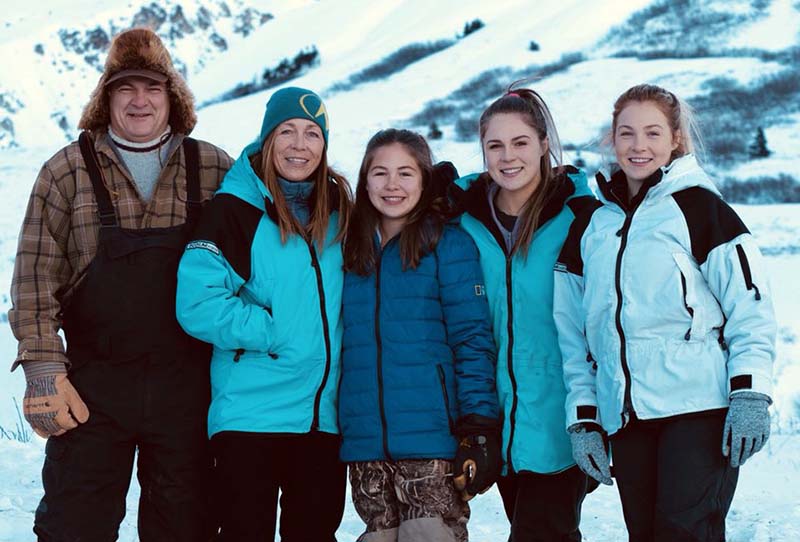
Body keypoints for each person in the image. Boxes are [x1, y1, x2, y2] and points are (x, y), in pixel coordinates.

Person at [8, 27, 233, 541]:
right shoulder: (66, 171)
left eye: (152, 88)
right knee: (74, 524)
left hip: (189, 390)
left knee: (187, 527)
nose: (139, 100)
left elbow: (261, 261)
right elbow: (35, 277)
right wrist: (43, 368)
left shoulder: (214, 167)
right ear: (106, 98)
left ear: (171, 98)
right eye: (125, 87)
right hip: (92, 389)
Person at [554, 83, 776, 541]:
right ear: (611, 140)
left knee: (685, 532)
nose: (639, 146)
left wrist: (750, 393)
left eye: (653, 133)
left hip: (698, 407)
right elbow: (574, 336)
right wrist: (585, 418)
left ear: (675, 139)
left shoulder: (701, 209)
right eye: (627, 133)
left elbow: (750, 306)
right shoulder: (593, 226)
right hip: (628, 415)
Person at [175, 86, 353, 541]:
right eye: (287, 131)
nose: (300, 145)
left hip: (320, 418)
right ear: (267, 138)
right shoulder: (234, 211)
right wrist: (273, 330)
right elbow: (197, 303)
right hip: (251, 415)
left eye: (313, 134)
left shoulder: (340, 214)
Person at [448, 87, 597, 541]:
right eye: (495, 145)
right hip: (496, 418)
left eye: (520, 143)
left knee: (541, 531)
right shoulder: (464, 220)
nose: (507, 157)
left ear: (544, 144)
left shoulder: (581, 217)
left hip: (561, 415)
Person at [339, 128, 501, 542]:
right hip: (367, 447)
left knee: (429, 535)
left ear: (425, 179)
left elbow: (472, 339)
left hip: (434, 442)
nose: (392, 185)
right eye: (380, 173)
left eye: (405, 173)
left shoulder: (449, 245)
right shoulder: (347, 248)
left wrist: (478, 426)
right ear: (364, 180)